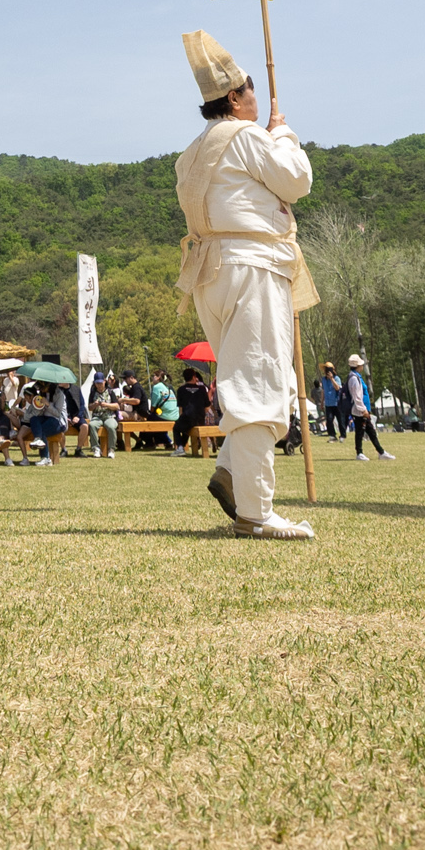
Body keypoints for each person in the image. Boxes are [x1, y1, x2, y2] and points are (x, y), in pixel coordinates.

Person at [171, 31, 317, 537]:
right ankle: (256, 511)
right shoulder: (248, 135)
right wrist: (283, 133)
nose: (256, 100)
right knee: (259, 381)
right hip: (250, 264)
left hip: (211, 273)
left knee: (249, 375)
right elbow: (296, 181)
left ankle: (233, 472)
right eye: (250, 91)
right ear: (235, 97)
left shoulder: (191, 153)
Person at [344, 356, 391, 460]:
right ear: (357, 366)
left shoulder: (356, 377)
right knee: (361, 432)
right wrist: (363, 410)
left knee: (370, 431)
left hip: (362, 409)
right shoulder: (353, 378)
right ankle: (360, 453)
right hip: (359, 410)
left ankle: (380, 452)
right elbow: (356, 396)